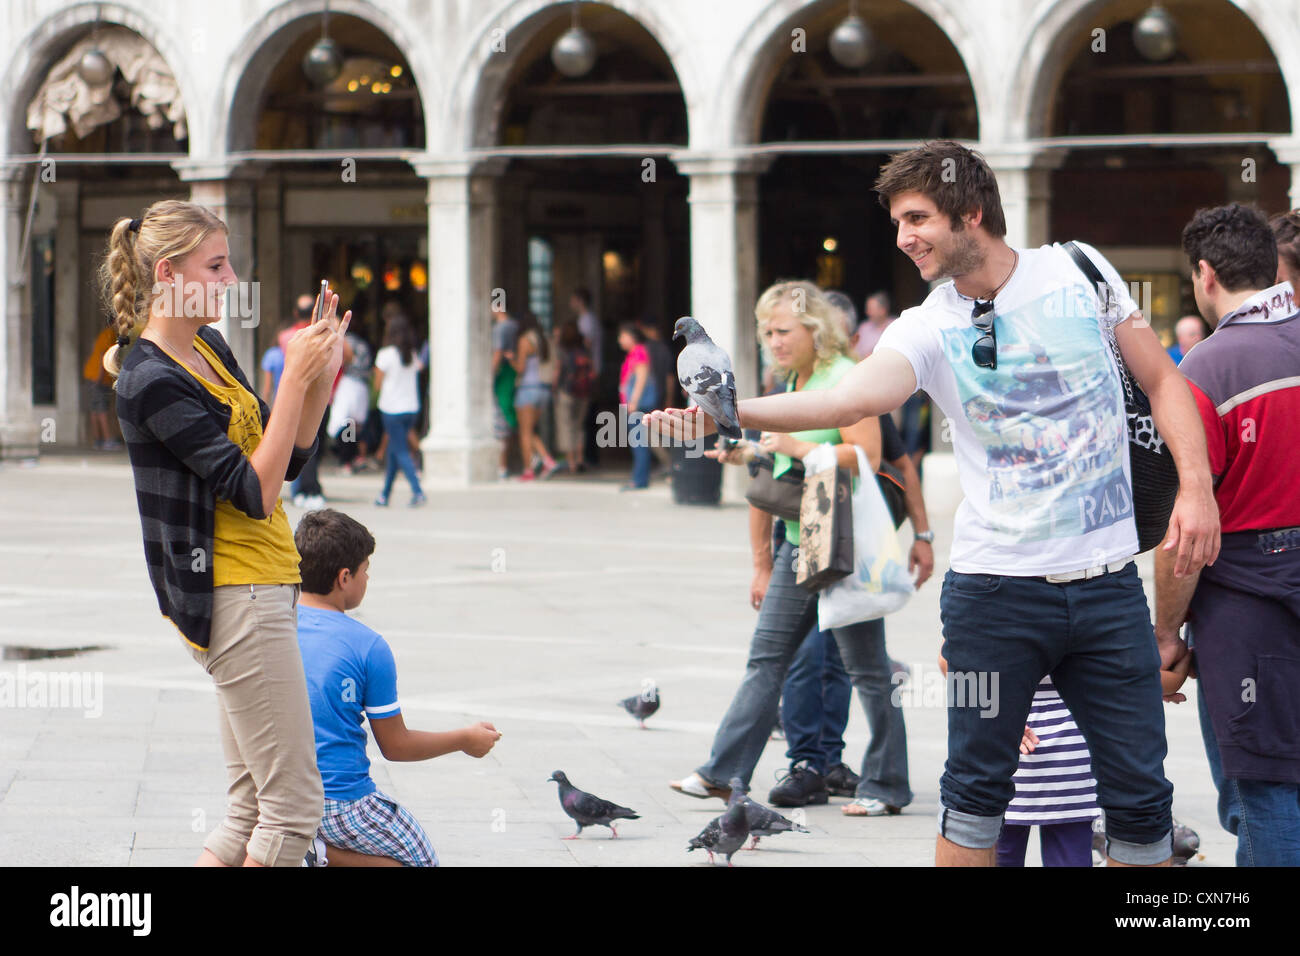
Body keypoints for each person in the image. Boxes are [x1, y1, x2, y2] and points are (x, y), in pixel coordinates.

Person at [648, 141, 1220, 867]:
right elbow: (852, 397)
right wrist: (729, 415)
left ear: (970, 212)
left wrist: (1195, 489)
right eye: (896, 222)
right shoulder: (927, 324)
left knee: (1142, 798)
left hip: (1108, 587)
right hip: (993, 596)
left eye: (917, 217)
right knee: (977, 794)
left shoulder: (1079, 268)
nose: (903, 237)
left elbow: (1164, 381)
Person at [104, 200, 348, 867]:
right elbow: (253, 489)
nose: (231, 277)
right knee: (295, 808)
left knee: (249, 808)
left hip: (267, 586)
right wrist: (294, 377)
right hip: (235, 595)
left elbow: (287, 458)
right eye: (216, 265)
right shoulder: (148, 380)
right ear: (169, 273)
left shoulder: (209, 347)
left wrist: (320, 379)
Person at [668, 281, 911, 815]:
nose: (772, 342)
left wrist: (800, 447)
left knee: (869, 672)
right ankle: (722, 773)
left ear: (814, 331)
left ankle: (887, 784)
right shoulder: (790, 380)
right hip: (798, 543)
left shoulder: (847, 378)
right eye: (766, 332)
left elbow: (867, 455)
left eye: (782, 331)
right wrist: (751, 451)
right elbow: (786, 461)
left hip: (842, 546)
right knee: (766, 661)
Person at [1155, 203, 1300, 866]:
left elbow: (1186, 528)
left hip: (1248, 597)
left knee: (1265, 787)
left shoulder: (1205, 370)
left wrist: (1165, 633)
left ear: (1205, 275)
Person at [293, 509, 501, 866]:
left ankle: (321, 852)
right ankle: (323, 853)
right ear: (345, 577)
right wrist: (465, 739)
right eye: (365, 570)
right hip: (342, 802)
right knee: (421, 861)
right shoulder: (367, 645)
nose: (367, 577)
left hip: (278, 795)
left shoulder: (275, 625)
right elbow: (395, 745)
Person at [373, 313, 426, 507]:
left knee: (401, 451)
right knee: (394, 452)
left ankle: (418, 491)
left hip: (392, 408)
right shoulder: (411, 354)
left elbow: (377, 384)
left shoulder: (385, 355)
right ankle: (384, 494)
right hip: (411, 408)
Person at [512, 310, 559, 481]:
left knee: (524, 432)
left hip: (527, 389)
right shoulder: (545, 339)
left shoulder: (524, 340)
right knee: (530, 430)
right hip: (543, 389)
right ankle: (547, 460)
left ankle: (528, 470)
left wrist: (510, 359)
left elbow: (521, 368)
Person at [616, 323, 659, 491]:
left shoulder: (639, 353)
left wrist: (633, 401)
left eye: (622, 336)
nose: (620, 340)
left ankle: (640, 479)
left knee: (639, 442)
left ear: (631, 337)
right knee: (639, 441)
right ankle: (639, 478)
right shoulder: (634, 354)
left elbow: (641, 378)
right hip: (634, 405)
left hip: (637, 406)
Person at [553, 320, 594, 473]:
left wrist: (554, 388)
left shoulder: (562, 349)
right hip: (583, 392)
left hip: (566, 391)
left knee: (566, 426)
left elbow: (558, 370)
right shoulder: (584, 348)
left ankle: (571, 463)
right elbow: (592, 369)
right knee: (579, 426)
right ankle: (580, 459)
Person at [572, 288, 603, 468]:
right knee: (589, 415)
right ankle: (588, 455)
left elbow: (587, 346)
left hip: (589, 372)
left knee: (587, 416)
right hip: (592, 370)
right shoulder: (590, 320)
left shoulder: (586, 321)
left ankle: (588, 456)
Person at [491, 301, 520, 479]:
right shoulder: (515, 325)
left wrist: (489, 375)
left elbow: (498, 353)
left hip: (503, 376)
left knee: (502, 419)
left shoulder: (500, 328)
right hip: (513, 375)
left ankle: (502, 466)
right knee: (509, 416)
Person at [83, 323, 122, 449]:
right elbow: (102, 356)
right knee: (102, 408)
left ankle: (98, 440)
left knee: (95, 408)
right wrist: (99, 378)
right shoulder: (109, 334)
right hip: (97, 377)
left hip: (93, 375)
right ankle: (107, 439)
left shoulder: (108, 334)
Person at [854, 291, 896, 359]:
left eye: (871, 309)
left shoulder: (896, 325)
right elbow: (855, 354)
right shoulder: (863, 328)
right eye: (868, 309)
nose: (868, 313)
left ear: (883, 310)